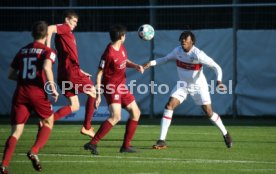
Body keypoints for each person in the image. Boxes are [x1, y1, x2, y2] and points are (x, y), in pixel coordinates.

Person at [143, 31, 233, 149]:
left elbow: (216, 67)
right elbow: (165, 59)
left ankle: (226, 134)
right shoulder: (177, 51)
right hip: (183, 85)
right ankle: (161, 140)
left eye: (186, 39)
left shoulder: (198, 54)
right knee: (169, 105)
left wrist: (219, 81)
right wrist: (151, 63)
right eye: (182, 39)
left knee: (209, 112)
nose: (183, 41)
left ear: (192, 42)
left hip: (199, 86)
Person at [0, 21, 58, 174]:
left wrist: (24, 79)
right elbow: (46, 67)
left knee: (16, 132)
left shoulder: (22, 50)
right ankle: (34, 150)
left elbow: (10, 74)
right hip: (37, 93)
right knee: (49, 120)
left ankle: (4, 164)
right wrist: (52, 87)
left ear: (32, 34)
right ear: (46, 35)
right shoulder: (48, 51)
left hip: (20, 93)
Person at [84, 24, 144, 155]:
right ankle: (92, 143)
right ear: (121, 36)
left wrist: (135, 66)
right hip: (111, 87)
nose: (126, 37)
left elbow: (124, 60)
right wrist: (99, 94)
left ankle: (126, 146)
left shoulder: (121, 47)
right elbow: (99, 73)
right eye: (125, 35)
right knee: (116, 116)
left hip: (121, 86)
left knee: (136, 112)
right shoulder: (109, 53)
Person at [46, 10, 96, 137]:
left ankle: (47, 121)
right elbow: (49, 28)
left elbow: (70, 56)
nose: (75, 24)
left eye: (76, 22)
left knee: (74, 106)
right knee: (93, 92)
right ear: (67, 19)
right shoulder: (64, 28)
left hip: (64, 72)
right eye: (74, 21)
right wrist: (47, 47)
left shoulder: (67, 34)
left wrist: (80, 70)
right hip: (70, 72)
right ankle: (87, 127)